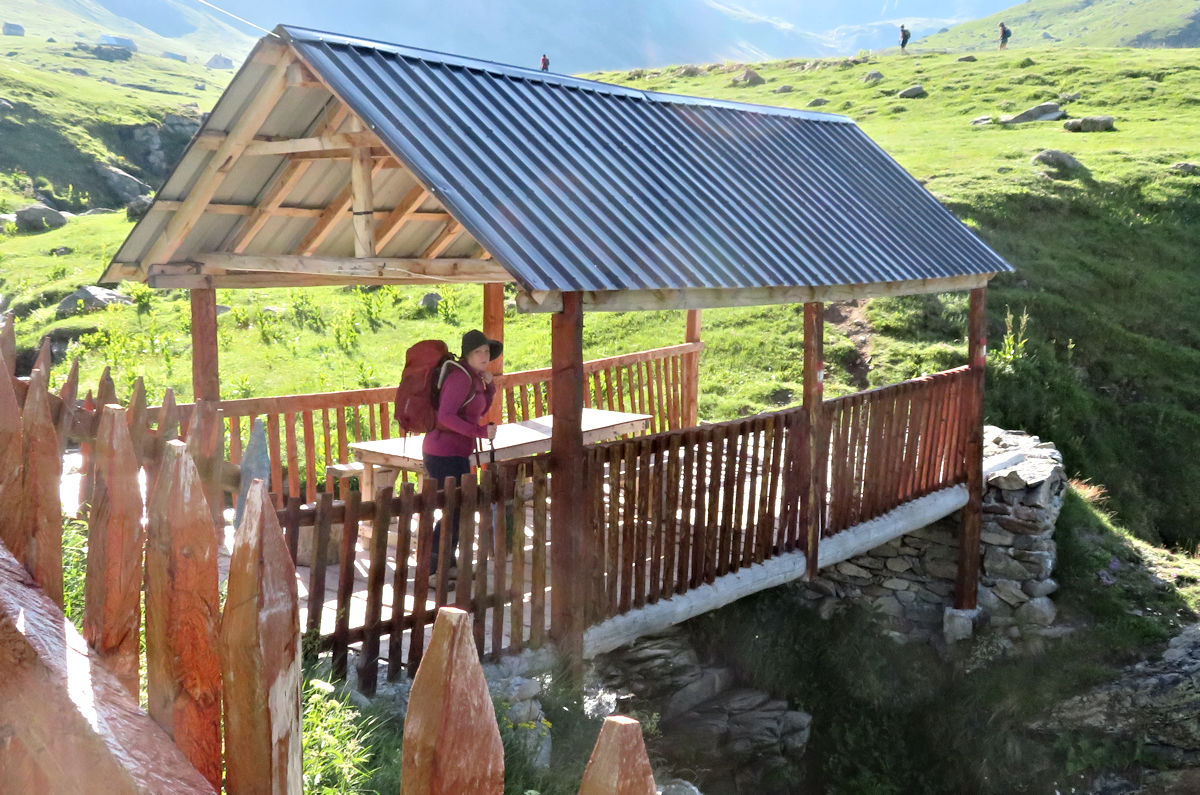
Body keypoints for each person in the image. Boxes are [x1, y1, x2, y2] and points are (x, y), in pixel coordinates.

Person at [422, 329, 501, 582]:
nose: (484, 356)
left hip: (457, 452)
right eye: (478, 351)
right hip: (443, 453)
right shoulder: (459, 378)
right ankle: (433, 571)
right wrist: (479, 432)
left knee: (457, 510)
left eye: (487, 351)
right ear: (467, 354)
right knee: (452, 510)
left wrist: (490, 389)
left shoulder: (475, 377)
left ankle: (448, 566)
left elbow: (478, 410)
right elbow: (445, 416)